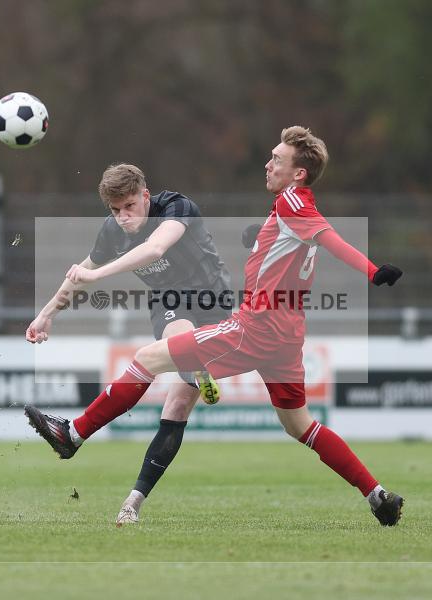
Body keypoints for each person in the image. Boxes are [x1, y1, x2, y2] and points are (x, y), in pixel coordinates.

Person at [26, 127, 406, 526]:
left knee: (147, 358)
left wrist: (373, 271)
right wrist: (48, 312)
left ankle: (74, 434)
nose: (268, 163)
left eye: (277, 158)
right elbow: (296, 245)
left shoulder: (287, 201)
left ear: (298, 173)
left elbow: (326, 237)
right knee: (301, 425)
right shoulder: (285, 207)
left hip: (250, 324)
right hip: (285, 334)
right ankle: (378, 496)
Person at [25, 163, 232, 525]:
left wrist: (97, 273)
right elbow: (80, 275)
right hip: (170, 302)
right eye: (115, 210)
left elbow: (154, 248)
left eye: (130, 206)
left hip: (215, 302)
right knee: (179, 364)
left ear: (145, 196)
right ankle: (131, 504)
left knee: (179, 398)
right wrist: (47, 314)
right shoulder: (112, 232)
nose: (123, 216)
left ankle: (117, 475)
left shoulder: (176, 208)